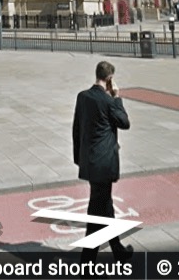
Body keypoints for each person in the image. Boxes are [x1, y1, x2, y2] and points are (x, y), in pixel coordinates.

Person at [72, 61, 134, 261]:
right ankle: (87, 265)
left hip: (89, 162)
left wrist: (78, 158)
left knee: (105, 207)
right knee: (97, 214)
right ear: (109, 80)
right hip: (104, 164)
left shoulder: (82, 97)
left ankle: (118, 251)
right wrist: (117, 97)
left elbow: (76, 128)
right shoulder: (108, 102)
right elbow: (125, 123)